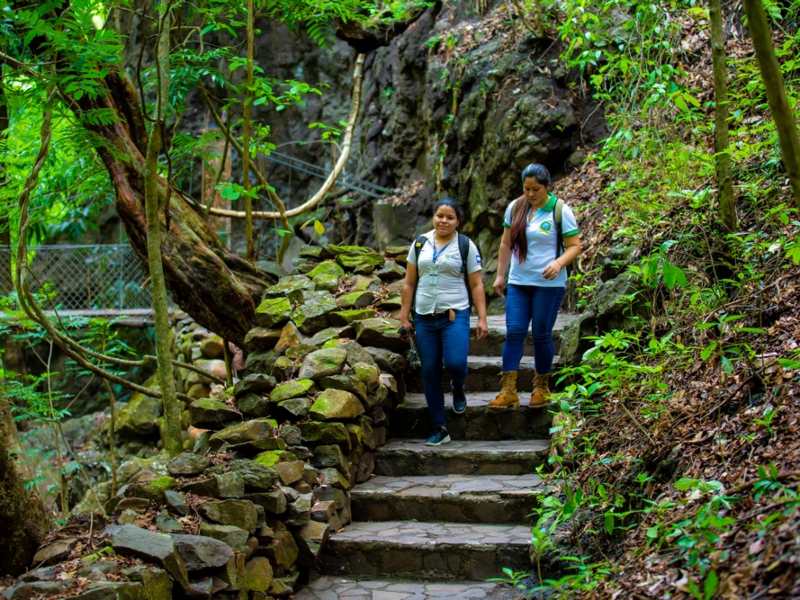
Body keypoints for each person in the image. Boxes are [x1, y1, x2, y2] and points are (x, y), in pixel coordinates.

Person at [489, 163, 582, 409]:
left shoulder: (560, 210)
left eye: (536, 189)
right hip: (519, 282)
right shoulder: (515, 208)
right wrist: (500, 275)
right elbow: (505, 244)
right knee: (515, 331)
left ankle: (541, 387)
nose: (530, 194)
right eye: (526, 188)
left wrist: (559, 263)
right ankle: (508, 390)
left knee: (541, 333)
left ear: (546, 187)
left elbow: (575, 245)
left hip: (548, 285)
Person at [398, 197, 489, 446]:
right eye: (440, 215)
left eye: (450, 217)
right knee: (429, 371)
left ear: (458, 221)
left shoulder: (465, 245)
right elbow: (409, 282)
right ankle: (439, 426)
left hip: (454, 315)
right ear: (433, 217)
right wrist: (404, 315)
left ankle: (458, 387)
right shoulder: (420, 244)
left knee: (456, 363)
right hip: (424, 316)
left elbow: (476, 284)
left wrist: (482, 318)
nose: (443, 221)